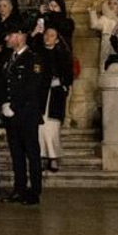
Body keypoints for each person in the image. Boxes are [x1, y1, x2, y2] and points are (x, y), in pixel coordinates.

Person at [0, 18, 47, 204]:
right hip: (11, 115)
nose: (7, 39)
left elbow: (32, 87)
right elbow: (4, 85)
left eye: (10, 35)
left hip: (26, 114)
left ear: (20, 36)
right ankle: (19, 189)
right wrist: (4, 104)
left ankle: (34, 192)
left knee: (32, 153)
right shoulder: (8, 59)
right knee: (16, 153)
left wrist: (14, 106)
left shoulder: (33, 59)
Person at [39, 24, 73, 174]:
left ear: (57, 39)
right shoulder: (37, 54)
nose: (48, 38)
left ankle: (53, 157)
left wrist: (60, 82)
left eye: (52, 35)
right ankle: (40, 155)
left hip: (55, 97)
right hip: (40, 96)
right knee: (40, 128)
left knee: (52, 128)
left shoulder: (63, 55)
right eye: (46, 34)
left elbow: (68, 76)